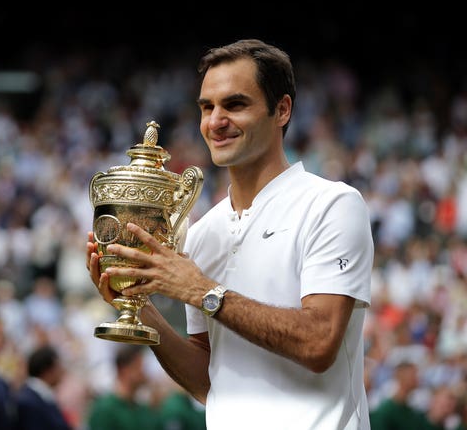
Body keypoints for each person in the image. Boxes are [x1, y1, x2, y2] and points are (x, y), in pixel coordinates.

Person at [86, 38, 374, 429]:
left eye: (235, 105)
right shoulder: (202, 232)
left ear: (282, 110)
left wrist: (202, 292)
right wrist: (140, 308)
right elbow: (209, 381)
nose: (215, 121)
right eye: (207, 107)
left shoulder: (332, 205)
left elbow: (319, 342)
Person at [87, 344, 162, 430]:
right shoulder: (105, 409)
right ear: (123, 370)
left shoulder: (144, 409)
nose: (143, 371)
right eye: (138, 366)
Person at [14, 344, 73, 430]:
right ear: (47, 371)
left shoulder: (42, 397)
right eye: (58, 366)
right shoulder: (29, 402)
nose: (61, 371)